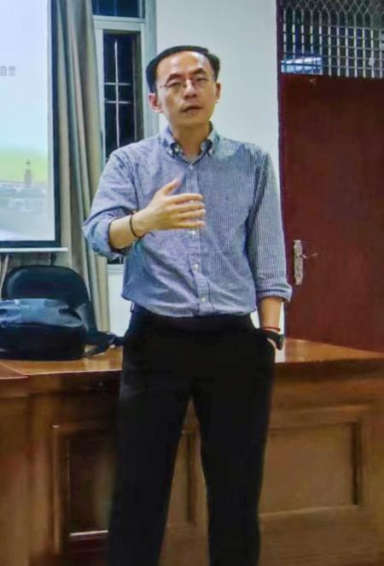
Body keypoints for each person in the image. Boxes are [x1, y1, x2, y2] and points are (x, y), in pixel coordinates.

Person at [83, 45, 291, 566]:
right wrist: (144, 221)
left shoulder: (252, 162)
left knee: (237, 488)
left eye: (200, 79)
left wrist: (269, 334)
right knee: (140, 487)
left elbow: (268, 254)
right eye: (174, 83)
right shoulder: (130, 162)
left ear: (218, 91)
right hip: (158, 339)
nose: (189, 90)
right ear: (155, 100)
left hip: (234, 341)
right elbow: (98, 234)